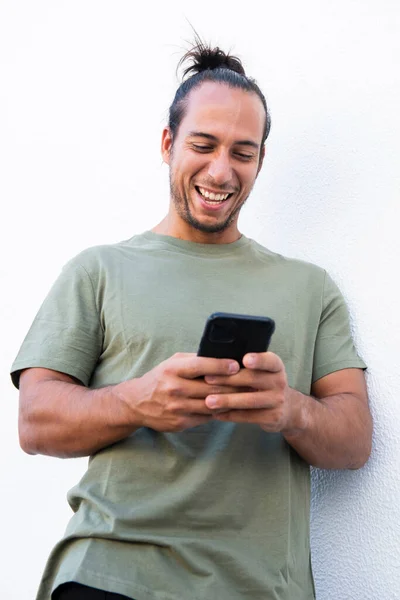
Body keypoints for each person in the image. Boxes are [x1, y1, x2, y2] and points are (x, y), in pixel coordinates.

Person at [11, 39, 373, 600]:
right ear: (167, 144)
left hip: (259, 588)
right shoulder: (99, 269)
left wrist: (289, 410)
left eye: (243, 153)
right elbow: (35, 423)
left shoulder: (310, 286)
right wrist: (138, 401)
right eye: (203, 145)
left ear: (260, 160)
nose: (221, 171)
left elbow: (354, 442)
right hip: (111, 576)